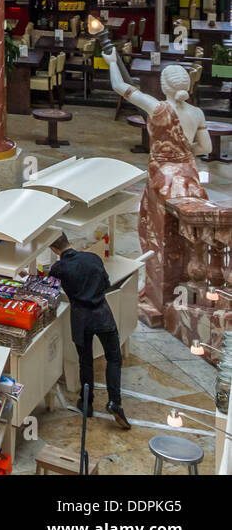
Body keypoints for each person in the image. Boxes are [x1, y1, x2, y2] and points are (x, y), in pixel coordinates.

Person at [105, 47, 210, 323]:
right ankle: (183, 292)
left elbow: (119, 86)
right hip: (189, 178)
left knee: (157, 236)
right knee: (186, 237)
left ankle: (157, 297)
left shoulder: (157, 107)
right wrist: (181, 154)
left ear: (163, 86)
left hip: (162, 179)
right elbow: (205, 147)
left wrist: (112, 61)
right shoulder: (197, 113)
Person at [47, 232, 131, 429]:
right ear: (69, 241)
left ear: (53, 249)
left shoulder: (59, 268)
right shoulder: (93, 258)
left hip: (80, 319)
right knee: (114, 358)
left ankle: (87, 404)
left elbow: (50, 292)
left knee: (85, 362)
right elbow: (106, 283)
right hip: (102, 314)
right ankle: (114, 402)